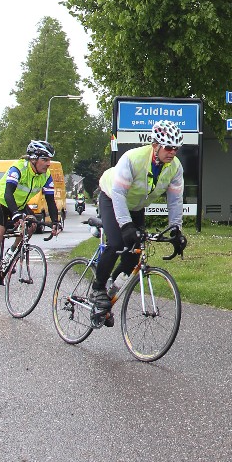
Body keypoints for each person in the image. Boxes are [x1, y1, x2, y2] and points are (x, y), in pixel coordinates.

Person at [90, 120, 186, 320]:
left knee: (134, 255)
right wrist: (126, 225)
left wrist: (176, 230)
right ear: (155, 145)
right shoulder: (133, 158)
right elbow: (118, 194)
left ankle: (109, 292)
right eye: (168, 147)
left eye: (176, 148)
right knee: (117, 243)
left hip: (135, 206)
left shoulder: (175, 167)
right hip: (112, 197)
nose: (172, 152)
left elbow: (175, 200)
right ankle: (97, 289)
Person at [0, 141, 59, 296]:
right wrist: (15, 213)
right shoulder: (18, 168)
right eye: (45, 159)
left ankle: (10, 253)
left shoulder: (46, 176)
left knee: (31, 225)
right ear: (33, 159)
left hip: (19, 203)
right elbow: (8, 193)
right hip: (0, 200)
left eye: (49, 160)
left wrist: (55, 222)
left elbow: (50, 201)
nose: (48, 164)